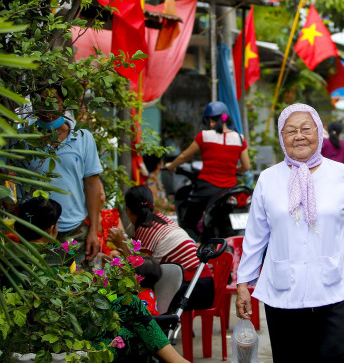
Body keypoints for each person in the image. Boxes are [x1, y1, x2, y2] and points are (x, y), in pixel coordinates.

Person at [235, 103, 344, 363]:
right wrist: (243, 284)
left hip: (337, 286)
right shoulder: (268, 179)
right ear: (282, 138)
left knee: (341, 356)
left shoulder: (340, 174)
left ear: (319, 132)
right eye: (290, 130)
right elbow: (256, 236)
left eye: (306, 128)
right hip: (284, 291)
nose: (299, 136)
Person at [14, 197, 189, 363]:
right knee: (132, 322)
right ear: (52, 228)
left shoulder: (12, 257)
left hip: (50, 330)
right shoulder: (59, 256)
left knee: (129, 318)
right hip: (69, 331)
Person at [107, 185, 215, 313]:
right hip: (206, 284)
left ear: (128, 210)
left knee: (138, 293)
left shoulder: (144, 230)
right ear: (151, 205)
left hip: (194, 289)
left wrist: (121, 245)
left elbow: (141, 272)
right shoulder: (162, 220)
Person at [29, 83, 103, 261]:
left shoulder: (83, 138)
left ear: (64, 104)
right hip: (36, 235)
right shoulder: (23, 140)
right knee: (40, 286)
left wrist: (93, 230)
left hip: (75, 234)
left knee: (76, 284)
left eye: (53, 102)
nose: (47, 109)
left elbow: (92, 185)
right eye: (41, 102)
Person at [165, 101, 250, 241]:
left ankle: (195, 250)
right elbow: (246, 167)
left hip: (207, 187)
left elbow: (185, 156)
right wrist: (231, 169)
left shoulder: (204, 136)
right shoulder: (240, 139)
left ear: (209, 120)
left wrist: (171, 166)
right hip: (229, 190)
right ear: (226, 119)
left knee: (187, 222)